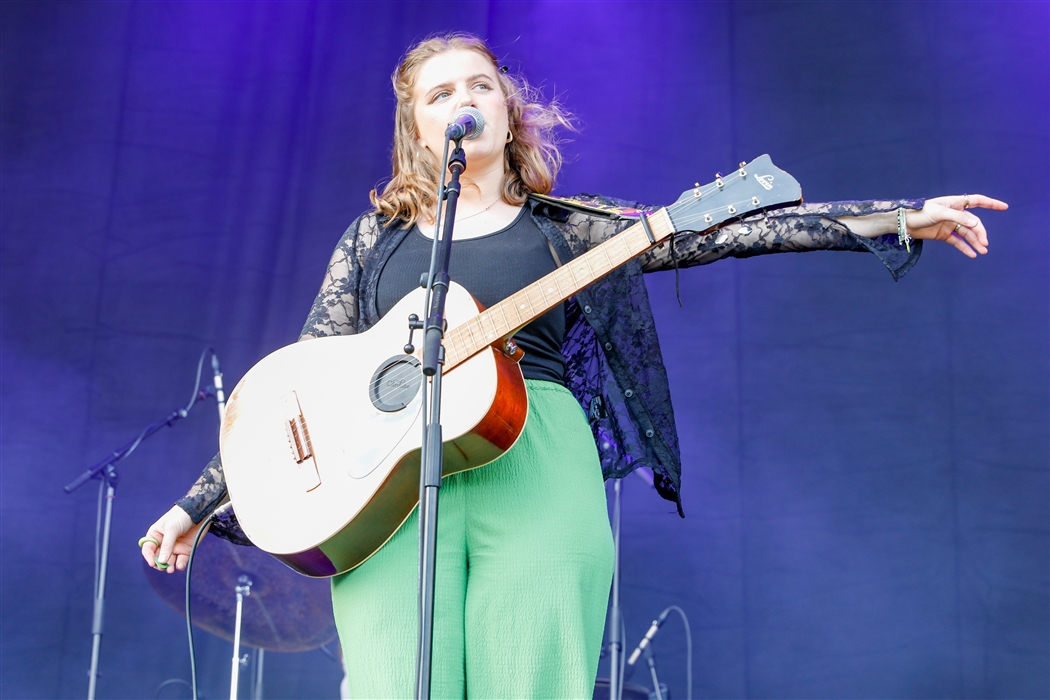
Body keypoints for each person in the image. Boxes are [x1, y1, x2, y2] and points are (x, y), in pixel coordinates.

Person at [139, 33, 1006, 699]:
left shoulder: (569, 228)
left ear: (508, 110)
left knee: (533, 677)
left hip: (534, 455)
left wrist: (895, 216)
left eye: (482, 84)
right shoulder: (375, 243)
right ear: (417, 127)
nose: (466, 99)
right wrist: (198, 502)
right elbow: (304, 392)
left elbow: (732, 230)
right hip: (385, 493)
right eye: (442, 92)